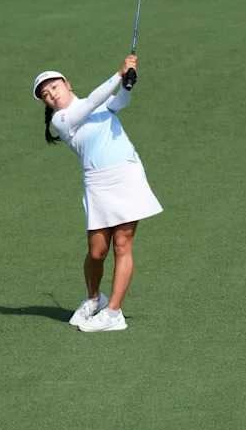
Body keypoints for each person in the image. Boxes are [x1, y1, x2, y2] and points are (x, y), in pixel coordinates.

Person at [32, 55, 162, 333]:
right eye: (45, 95)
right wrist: (119, 73)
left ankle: (114, 313)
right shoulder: (62, 120)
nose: (51, 95)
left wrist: (126, 85)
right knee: (97, 251)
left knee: (122, 245)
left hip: (126, 175)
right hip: (97, 184)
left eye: (54, 87)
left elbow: (118, 103)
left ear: (67, 84)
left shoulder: (97, 104)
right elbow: (92, 102)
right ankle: (94, 298)